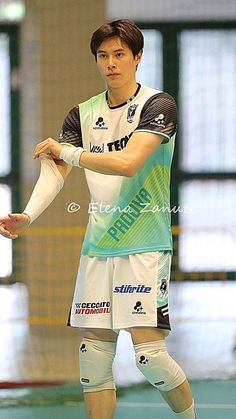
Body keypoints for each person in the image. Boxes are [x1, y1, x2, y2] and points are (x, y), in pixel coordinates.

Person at [0, 19, 198, 419]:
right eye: (103, 56)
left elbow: (127, 163)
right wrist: (28, 215)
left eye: (120, 54)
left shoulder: (159, 105)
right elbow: (56, 169)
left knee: (150, 357)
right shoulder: (83, 113)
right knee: (93, 357)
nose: (111, 63)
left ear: (137, 57)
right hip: (98, 248)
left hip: (144, 245)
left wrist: (69, 153)